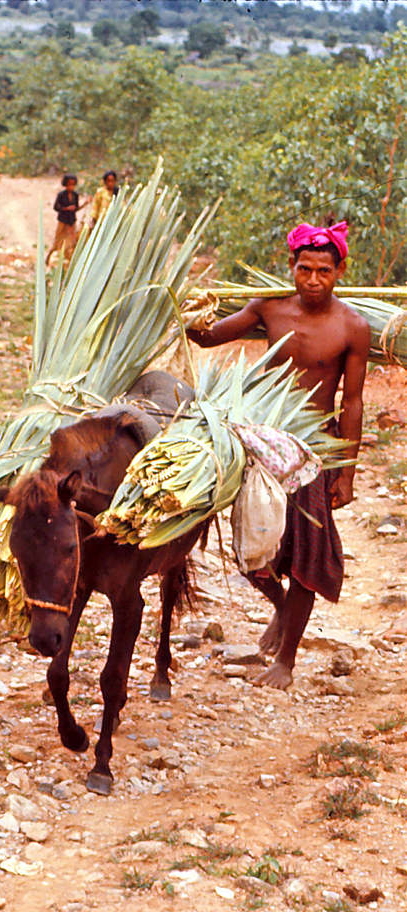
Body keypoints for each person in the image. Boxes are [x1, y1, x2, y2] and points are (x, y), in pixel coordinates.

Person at [186, 221, 370, 691]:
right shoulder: (269, 309)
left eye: (323, 271)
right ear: (291, 267)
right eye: (304, 269)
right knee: (253, 548)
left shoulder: (353, 326)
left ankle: (286, 661)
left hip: (314, 449)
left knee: (307, 554)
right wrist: (185, 311)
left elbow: (351, 403)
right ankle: (282, 608)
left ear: (339, 271)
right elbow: (208, 338)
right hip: (263, 440)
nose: (313, 279)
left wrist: (346, 474)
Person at [45, 173, 90, 267]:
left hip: (71, 221)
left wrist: (85, 204)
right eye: (69, 184)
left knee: (72, 242)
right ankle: (48, 257)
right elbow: (56, 207)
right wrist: (66, 208)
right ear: (65, 184)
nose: (71, 187)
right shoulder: (61, 195)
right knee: (57, 240)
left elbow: (76, 208)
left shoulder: (75, 195)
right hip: (63, 220)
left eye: (73, 184)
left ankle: (69, 262)